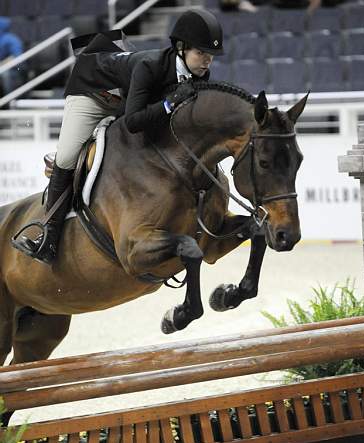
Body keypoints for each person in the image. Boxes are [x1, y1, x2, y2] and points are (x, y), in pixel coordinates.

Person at [13, 8, 224, 265]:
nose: (206, 61)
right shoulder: (150, 66)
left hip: (127, 100)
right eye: (201, 53)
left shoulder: (199, 74)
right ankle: (47, 235)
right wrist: (169, 104)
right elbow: (134, 123)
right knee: (68, 156)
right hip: (92, 93)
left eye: (211, 56)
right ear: (181, 48)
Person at [0, 17, 24, 97]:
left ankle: (9, 102)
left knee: (4, 73)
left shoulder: (12, 39)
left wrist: (2, 64)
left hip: (14, 69)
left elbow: (17, 57)